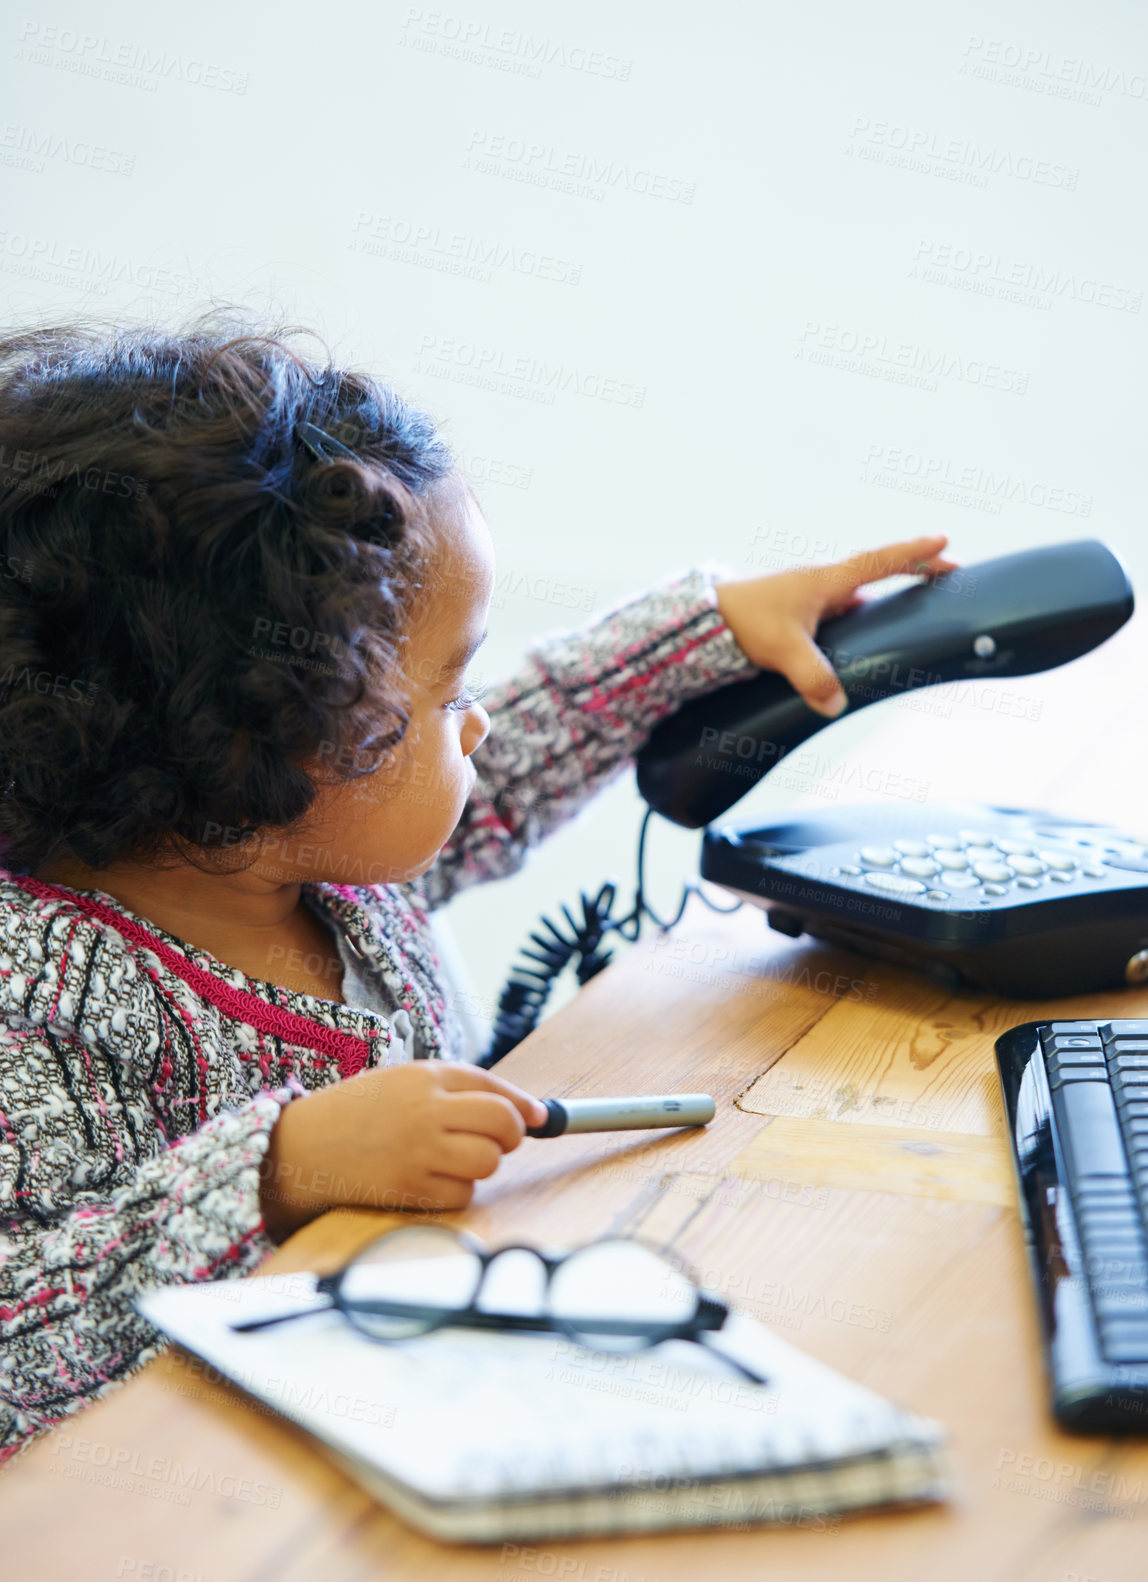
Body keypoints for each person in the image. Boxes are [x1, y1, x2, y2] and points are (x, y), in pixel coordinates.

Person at [0, 310, 954, 1458]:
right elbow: (21, 1330)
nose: (482, 719)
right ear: (266, 743)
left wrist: (704, 631)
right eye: (449, 695)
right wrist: (278, 1168)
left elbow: (506, 770)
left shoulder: (322, 864)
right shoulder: (42, 998)